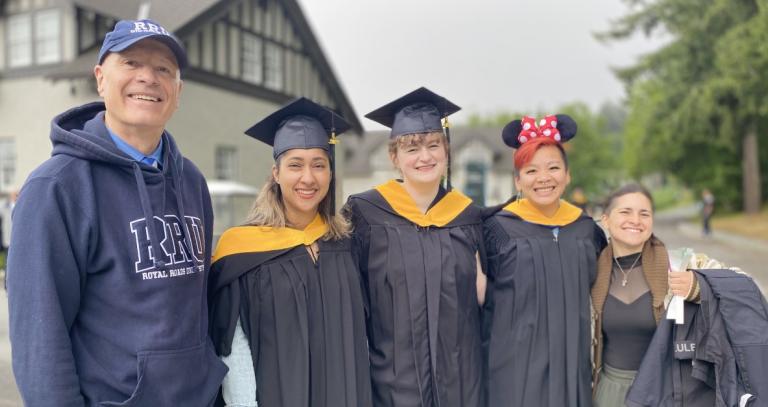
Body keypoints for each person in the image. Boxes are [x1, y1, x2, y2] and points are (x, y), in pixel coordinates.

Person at [6, 19, 227, 406]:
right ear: (100, 79)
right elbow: (40, 343)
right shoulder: (56, 189)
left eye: (163, 69)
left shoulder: (191, 180)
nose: (148, 78)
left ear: (178, 92)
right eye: (131, 62)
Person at [208, 97, 372, 407]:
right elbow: (233, 346)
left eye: (319, 165)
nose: (308, 178)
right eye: (295, 165)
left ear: (330, 173)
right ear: (276, 172)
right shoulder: (241, 250)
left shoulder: (346, 244)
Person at [345, 87, 486, 407]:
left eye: (433, 145)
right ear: (394, 157)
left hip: (462, 385)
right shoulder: (364, 215)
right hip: (391, 386)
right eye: (411, 148)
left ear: (446, 151)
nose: (425, 156)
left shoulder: (470, 218)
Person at [484, 115, 607, 406]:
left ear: (567, 175)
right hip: (513, 369)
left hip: (572, 367)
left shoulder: (586, 230)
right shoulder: (495, 230)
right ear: (517, 180)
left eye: (553, 168)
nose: (543, 178)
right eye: (531, 170)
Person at [590, 184, 706, 406]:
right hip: (608, 393)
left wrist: (698, 286)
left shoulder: (680, 265)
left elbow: (740, 284)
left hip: (666, 392)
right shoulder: (591, 271)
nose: (635, 220)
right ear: (605, 220)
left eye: (644, 214)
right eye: (625, 212)